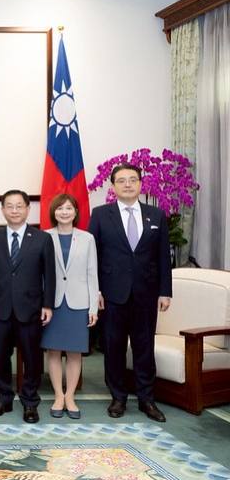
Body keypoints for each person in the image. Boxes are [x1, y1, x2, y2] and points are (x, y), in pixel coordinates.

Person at [88, 162, 172, 422]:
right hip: (112, 294)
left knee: (144, 347)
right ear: (113, 186)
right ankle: (118, 397)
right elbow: (93, 256)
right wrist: (95, 290)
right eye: (121, 180)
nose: (127, 184)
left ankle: (147, 399)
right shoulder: (101, 215)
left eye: (132, 179)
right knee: (113, 347)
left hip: (146, 294)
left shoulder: (156, 215)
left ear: (140, 184)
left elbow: (163, 257)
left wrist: (165, 291)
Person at [0, 189, 55, 423]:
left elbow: (49, 275)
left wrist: (48, 305)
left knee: (32, 357)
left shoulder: (42, 238)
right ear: (3, 210)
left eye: (19, 206)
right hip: (0, 306)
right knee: (1, 356)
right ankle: (4, 397)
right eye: (9, 206)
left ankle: (30, 401)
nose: (14, 210)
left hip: (31, 307)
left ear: (27, 209)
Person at [42, 193, 99, 420]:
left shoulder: (87, 238)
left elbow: (92, 273)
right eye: (60, 208)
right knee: (54, 351)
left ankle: (70, 396)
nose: (64, 212)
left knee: (75, 352)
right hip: (53, 304)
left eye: (68, 208)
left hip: (79, 303)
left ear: (76, 212)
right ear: (53, 212)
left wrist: (93, 308)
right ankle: (58, 395)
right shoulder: (44, 237)